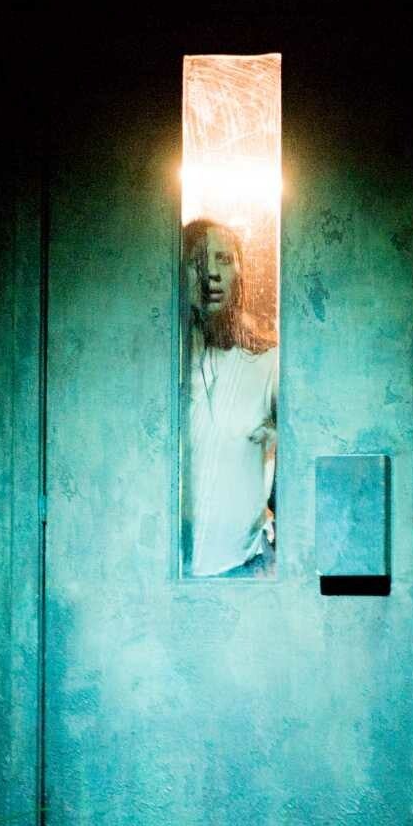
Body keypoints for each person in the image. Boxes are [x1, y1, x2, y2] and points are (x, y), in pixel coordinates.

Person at [181, 218, 278, 577]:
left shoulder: (267, 363)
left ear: (241, 272)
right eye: (197, 261)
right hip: (165, 573)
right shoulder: (160, 367)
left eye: (223, 259)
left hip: (244, 570)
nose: (211, 273)